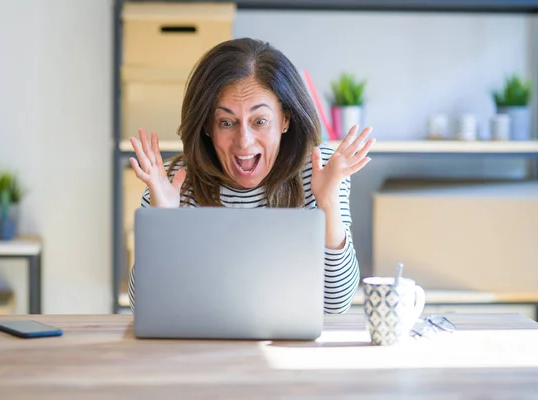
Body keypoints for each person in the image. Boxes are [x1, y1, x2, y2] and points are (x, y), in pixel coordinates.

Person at [128, 37, 374, 314]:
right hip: (200, 351)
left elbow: (336, 303)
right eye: (226, 122)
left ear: (285, 119)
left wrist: (328, 203)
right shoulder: (172, 181)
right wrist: (163, 219)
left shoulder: (320, 170)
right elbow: (145, 305)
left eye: (260, 121)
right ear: (207, 126)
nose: (244, 141)